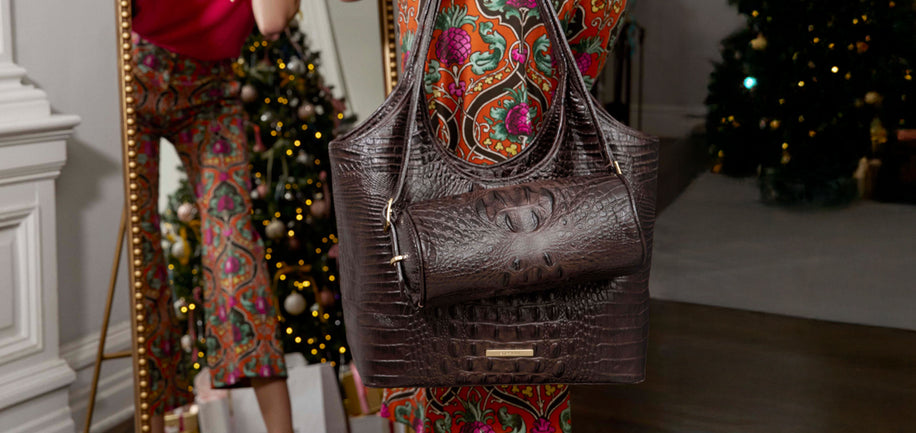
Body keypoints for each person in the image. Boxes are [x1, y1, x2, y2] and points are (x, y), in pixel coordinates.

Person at [370, 0, 630, 431]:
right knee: (519, 289)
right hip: (512, 67)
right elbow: (590, 27)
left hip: (466, 81)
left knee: (458, 293)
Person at [129, 1, 300, 432]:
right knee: (142, 250)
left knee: (235, 248)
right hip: (136, 70)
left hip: (210, 89)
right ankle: (158, 421)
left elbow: (272, 19)